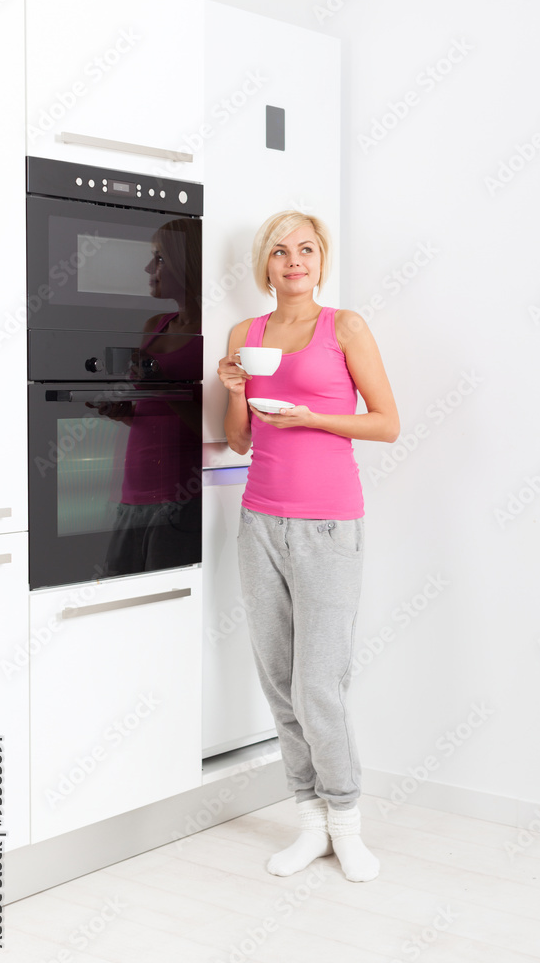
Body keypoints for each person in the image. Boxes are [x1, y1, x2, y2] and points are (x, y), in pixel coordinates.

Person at [217, 210, 399, 883]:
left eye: (306, 249)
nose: (293, 260)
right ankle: (309, 823)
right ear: (264, 265)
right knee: (277, 681)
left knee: (317, 682)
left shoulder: (344, 327)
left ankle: (347, 822)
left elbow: (386, 423)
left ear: (321, 259)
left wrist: (311, 417)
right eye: (280, 252)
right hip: (259, 519)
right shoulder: (247, 334)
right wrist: (236, 391)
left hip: (328, 522)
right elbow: (238, 440)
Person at [87, 218, 202, 575]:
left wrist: (161, 380)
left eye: (160, 258)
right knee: (123, 597)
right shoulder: (156, 325)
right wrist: (123, 411)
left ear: (188, 264)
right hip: (133, 491)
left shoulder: (215, 330)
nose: (149, 268)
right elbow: (154, 405)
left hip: (182, 495)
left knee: (167, 602)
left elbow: (213, 426)